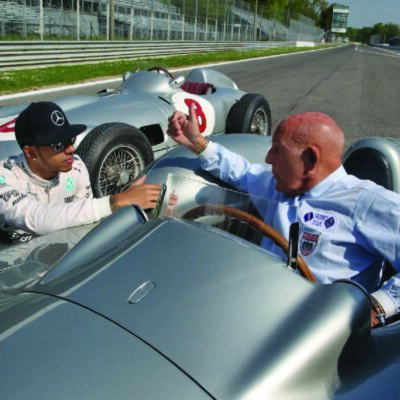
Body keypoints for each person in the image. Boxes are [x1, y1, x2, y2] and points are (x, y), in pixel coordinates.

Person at [168, 105, 400, 328]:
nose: (268, 158)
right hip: (254, 306)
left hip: (314, 328)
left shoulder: (366, 202)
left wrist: (375, 308)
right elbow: (242, 171)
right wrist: (197, 143)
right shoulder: (278, 185)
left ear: (310, 159)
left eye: (277, 150)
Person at [0, 101, 160, 243]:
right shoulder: (5, 178)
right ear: (31, 152)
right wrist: (115, 201)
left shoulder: (76, 168)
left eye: (70, 139)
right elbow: (38, 220)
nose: (71, 149)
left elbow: (82, 224)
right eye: (58, 145)